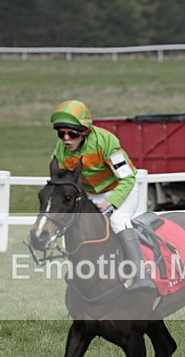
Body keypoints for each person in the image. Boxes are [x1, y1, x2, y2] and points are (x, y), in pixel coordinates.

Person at [50, 99, 154, 292]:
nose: (65, 139)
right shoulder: (61, 150)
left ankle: (142, 276)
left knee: (117, 221)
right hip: (92, 195)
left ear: (84, 131)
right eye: (61, 133)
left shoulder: (106, 142)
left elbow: (128, 179)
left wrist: (111, 202)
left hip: (122, 189)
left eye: (71, 134)